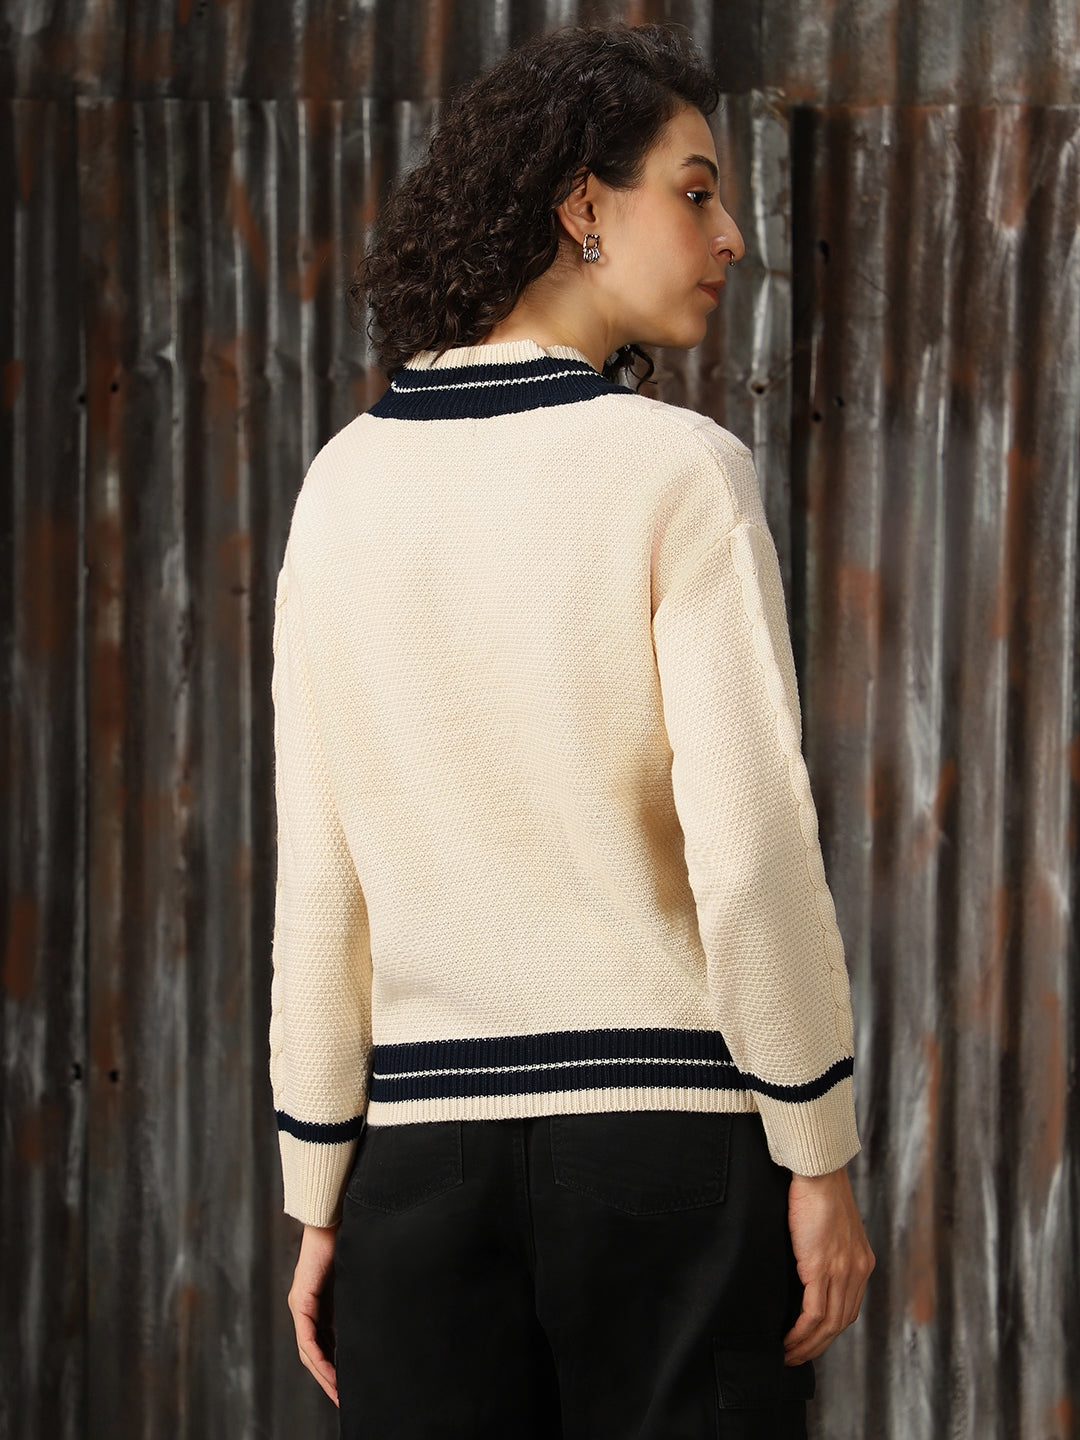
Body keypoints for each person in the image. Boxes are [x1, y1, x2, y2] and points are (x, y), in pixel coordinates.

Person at [270, 20, 874, 1439]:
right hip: (668, 1158)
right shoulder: (680, 472)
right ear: (582, 206)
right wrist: (820, 1153)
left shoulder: (342, 485)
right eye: (697, 190)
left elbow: (323, 877)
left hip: (419, 1168)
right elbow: (750, 848)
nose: (732, 236)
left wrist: (319, 1192)